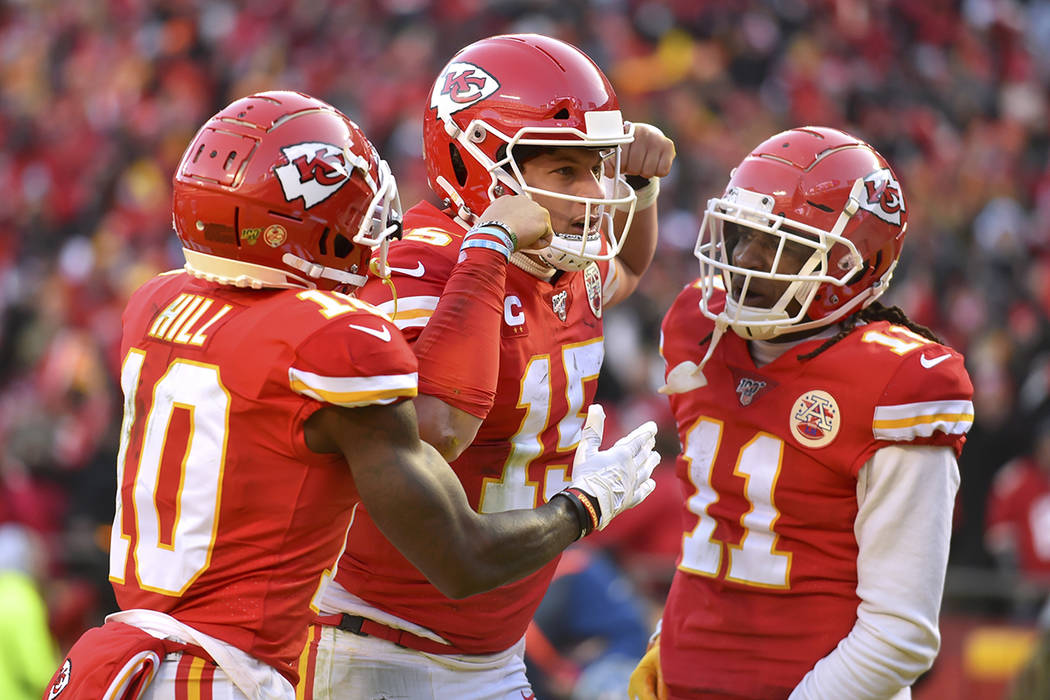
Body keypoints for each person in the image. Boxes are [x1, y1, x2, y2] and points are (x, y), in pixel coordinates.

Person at [42, 90, 661, 700]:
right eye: (354, 219)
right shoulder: (333, 340)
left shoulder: (156, 302)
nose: (376, 246)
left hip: (131, 655)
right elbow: (459, 542)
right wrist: (586, 504)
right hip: (237, 672)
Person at [301, 34, 675, 699]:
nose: (595, 195)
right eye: (566, 172)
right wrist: (489, 250)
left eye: (600, 167)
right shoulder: (415, 272)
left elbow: (632, 269)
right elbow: (434, 433)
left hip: (493, 650)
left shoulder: (566, 264)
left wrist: (641, 192)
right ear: (479, 166)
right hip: (382, 649)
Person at [628, 126, 974, 699]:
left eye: (779, 244)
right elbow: (714, 532)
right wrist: (672, 639)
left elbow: (901, 634)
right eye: (742, 235)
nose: (744, 259)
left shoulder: (896, 381)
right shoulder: (701, 330)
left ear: (853, 264)